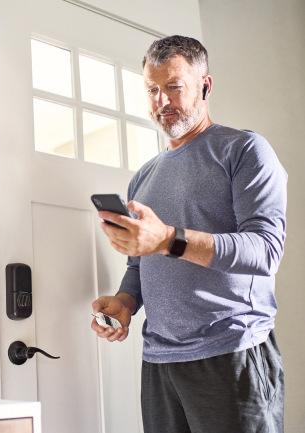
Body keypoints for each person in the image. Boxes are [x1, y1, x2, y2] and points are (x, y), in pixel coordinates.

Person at [91, 35, 287, 433]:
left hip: (231, 353)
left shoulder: (244, 150)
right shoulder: (143, 178)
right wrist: (126, 301)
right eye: (152, 89)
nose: (160, 101)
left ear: (205, 86)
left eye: (173, 87)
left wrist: (167, 239)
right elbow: (139, 263)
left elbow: (265, 250)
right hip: (159, 364)